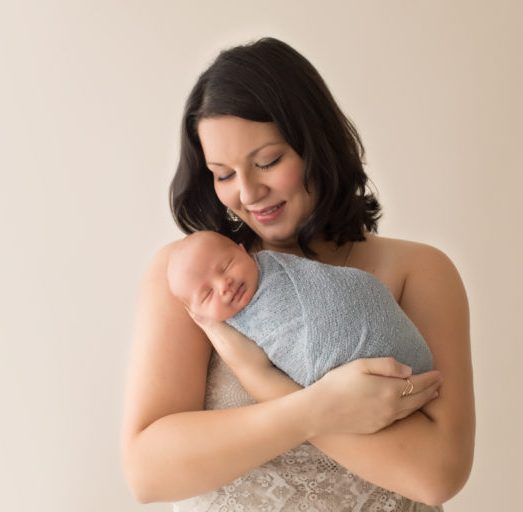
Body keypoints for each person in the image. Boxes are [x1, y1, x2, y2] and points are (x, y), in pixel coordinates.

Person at [121, 37, 475, 510]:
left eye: (267, 161)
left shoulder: (418, 271)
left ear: (315, 144)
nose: (248, 192)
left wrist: (264, 381)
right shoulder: (194, 279)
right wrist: (318, 409)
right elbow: (147, 473)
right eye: (223, 174)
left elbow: (437, 475)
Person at [166, 230, 435, 391]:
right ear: (196, 313)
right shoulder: (221, 330)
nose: (224, 285)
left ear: (243, 251)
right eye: (207, 294)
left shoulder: (276, 267)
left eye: (226, 266)